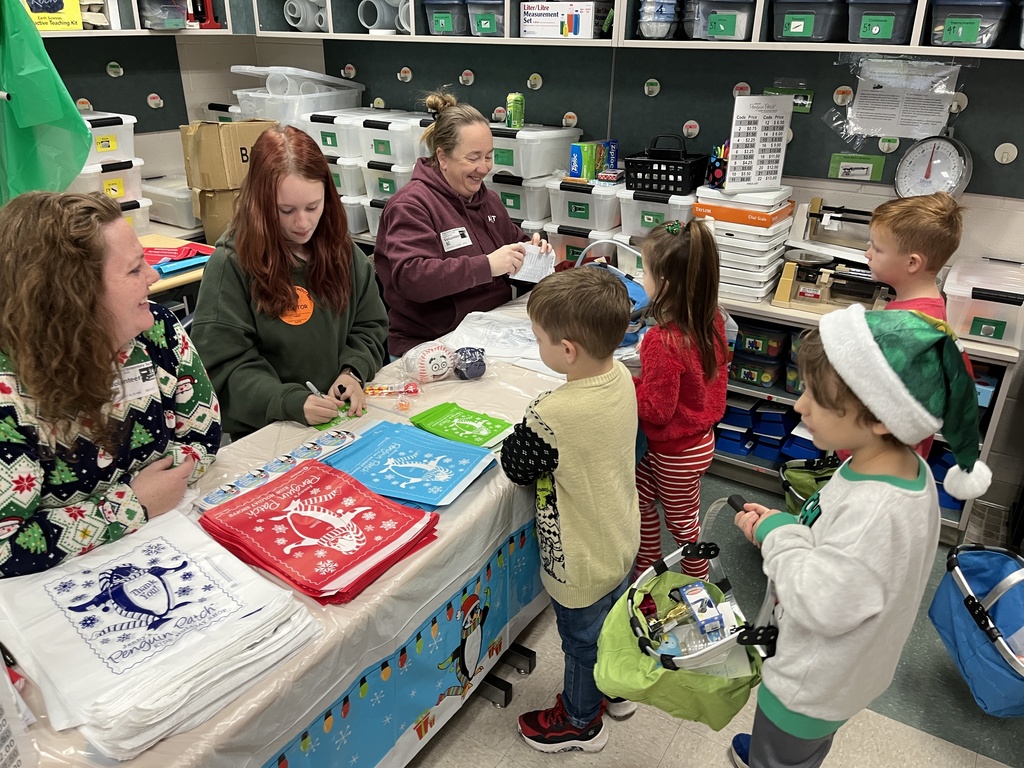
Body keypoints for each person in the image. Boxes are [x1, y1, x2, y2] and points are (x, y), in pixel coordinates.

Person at [730, 304, 991, 768]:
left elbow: (820, 601)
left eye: (816, 397)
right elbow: (845, 553)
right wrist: (788, 526)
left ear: (881, 417)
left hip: (807, 685)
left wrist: (777, 537)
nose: (798, 405)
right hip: (844, 674)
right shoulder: (890, 466)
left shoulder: (878, 510)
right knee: (800, 747)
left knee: (781, 749)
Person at [0, 192, 222, 578]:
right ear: (75, 295)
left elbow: (204, 437)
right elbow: (6, 548)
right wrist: (131, 505)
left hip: (168, 547)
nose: (153, 277)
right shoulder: (9, 394)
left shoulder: (158, 332)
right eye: (135, 269)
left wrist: (151, 496)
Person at [500, 267, 641, 753]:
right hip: (621, 539)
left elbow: (515, 466)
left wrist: (530, 423)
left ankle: (582, 720)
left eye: (538, 338)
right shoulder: (621, 374)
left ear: (567, 350)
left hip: (578, 558)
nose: (536, 345)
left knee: (581, 644)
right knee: (615, 622)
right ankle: (617, 690)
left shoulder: (553, 412)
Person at [191, 125, 388, 439]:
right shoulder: (231, 265)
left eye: (313, 207)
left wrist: (352, 371)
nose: (303, 223)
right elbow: (224, 367)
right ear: (260, 205)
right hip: (270, 429)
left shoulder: (340, 249)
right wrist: (289, 401)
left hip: (338, 420)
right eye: (286, 211)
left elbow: (369, 325)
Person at [374, 88, 549, 357]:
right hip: (430, 347)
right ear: (442, 158)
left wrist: (533, 255)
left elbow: (512, 246)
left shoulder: (487, 200)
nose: (484, 167)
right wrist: (487, 265)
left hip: (490, 334)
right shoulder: (411, 206)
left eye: (489, 156)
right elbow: (412, 278)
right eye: (473, 158)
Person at [633, 219, 729, 579]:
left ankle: (698, 579)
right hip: (696, 443)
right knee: (643, 503)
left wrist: (630, 383)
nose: (641, 278)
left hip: (674, 451)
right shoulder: (711, 320)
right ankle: (648, 571)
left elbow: (656, 410)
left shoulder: (662, 341)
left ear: (665, 285)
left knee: (682, 526)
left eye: (644, 271)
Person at [855, 190, 969, 459]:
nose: (868, 253)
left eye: (877, 248)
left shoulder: (906, 329)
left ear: (912, 262)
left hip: (880, 461)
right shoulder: (930, 308)